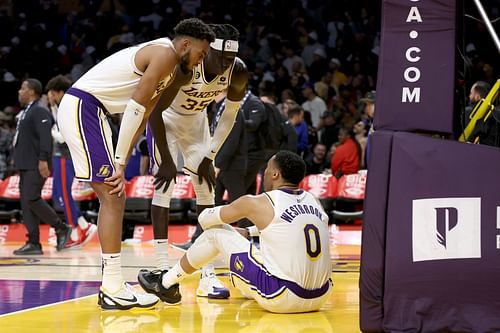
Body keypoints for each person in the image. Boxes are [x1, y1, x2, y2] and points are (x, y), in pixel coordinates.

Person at [57, 18, 215, 310]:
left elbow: (143, 116)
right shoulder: (165, 53)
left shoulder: (172, 70)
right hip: (84, 107)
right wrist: (119, 163)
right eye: (201, 54)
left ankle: (113, 285)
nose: (201, 61)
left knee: (115, 196)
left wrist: (122, 160)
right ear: (185, 44)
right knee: (113, 195)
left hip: (97, 113)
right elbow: (135, 106)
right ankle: (112, 286)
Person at [137, 151, 333, 313]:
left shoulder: (257, 202)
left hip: (283, 298)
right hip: (321, 296)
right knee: (256, 261)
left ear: (275, 174)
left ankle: (165, 283)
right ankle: (234, 283)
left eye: (267, 170)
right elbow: (292, 226)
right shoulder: (313, 201)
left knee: (216, 233)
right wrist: (248, 232)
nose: (264, 173)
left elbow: (205, 219)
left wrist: (205, 186)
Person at [140, 24, 248, 300]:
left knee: (206, 189)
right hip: (165, 121)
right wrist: (165, 159)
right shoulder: (185, 67)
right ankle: (162, 267)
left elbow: (228, 116)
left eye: (230, 59)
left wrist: (210, 156)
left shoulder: (237, 70)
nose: (226, 64)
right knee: (164, 186)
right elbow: (154, 112)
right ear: (207, 49)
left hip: (197, 123)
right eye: (221, 58)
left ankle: (207, 274)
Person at [13, 78, 72, 255]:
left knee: (32, 198)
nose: (19, 92)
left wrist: (43, 160)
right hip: (25, 164)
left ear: (31, 91)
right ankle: (33, 242)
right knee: (26, 203)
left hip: (35, 164)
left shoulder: (39, 110)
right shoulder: (27, 111)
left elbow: (45, 136)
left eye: (22, 88)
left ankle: (60, 227)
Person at [46, 74, 97, 249]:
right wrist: (53, 109)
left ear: (58, 92)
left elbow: (62, 137)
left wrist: (52, 132)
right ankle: (84, 224)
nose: (49, 96)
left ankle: (74, 232)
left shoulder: (68, 106)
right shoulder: (61, 106)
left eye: (51, 93)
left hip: (65, 157)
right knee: (58, 195)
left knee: (64, 195)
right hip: (61, 157)